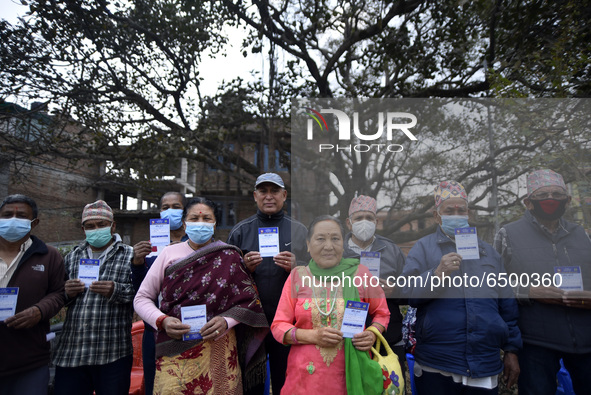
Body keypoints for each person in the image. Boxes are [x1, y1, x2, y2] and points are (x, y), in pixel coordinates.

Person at [134, 197, 269, 395]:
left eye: (207, 219)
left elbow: (249, 300)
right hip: (175, 348)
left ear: (214, 225)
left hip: (219, 348)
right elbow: (142, 298)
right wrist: (162, 321)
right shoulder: (168, 254)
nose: (200, 223)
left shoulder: (230, 256)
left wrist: (226, 321)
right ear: (184, 223)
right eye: (194, 219)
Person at [402, 181, 521, 394]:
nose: (456, 214)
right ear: (437, 215)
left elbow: (507, 304)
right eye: (449, 210)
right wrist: (436, 274)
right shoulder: (423, 247)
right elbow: (408, 292)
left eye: (461, 210)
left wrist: (511, 349)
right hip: (436, 362)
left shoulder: (489, 253)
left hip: (484, 362)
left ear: (469, 213)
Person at [494, 169, 591, 395]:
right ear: (528, 202)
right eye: (543, 194)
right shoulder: (508, 234)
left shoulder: (583, 235)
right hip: (535, 340)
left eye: (557, 194)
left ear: (567, 200)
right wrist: (528, 291)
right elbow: (492, 282)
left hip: (586, 338)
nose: (551, 199)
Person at [271, 215, 393, 394]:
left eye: (335, 239)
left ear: (343, 244)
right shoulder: (297, 276)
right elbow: (278, 326)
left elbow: (382, 313)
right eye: (320, 239)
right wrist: (313, 336)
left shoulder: (361, 274)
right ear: (308, 244)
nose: (328, 246)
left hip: (350, 378)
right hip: (304, 379)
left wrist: (372, 333)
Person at [227, 172, 308, 394]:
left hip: (290, 322)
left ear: (284, 195)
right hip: (251, 324)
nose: (269, 196)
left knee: (288, 382)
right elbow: (225, 279)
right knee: (251, 383)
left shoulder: (300, 231)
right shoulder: (240, 231)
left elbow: (318, 276)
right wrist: (244, 268)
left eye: (274, 191)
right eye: (263, 191)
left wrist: (298, 266)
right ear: (255, 196)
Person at [53, 200, 135, 395]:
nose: (96, 230)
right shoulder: (72, 256)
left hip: (112, 351)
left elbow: (141, 295)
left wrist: (115, 290)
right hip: (72, 351)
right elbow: (57, 296)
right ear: (83, 229)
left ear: (113, 226)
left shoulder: (130, 255)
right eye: (90, 226)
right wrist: (67, 292)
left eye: (101, 225)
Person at [0, 194, 65, 395]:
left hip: (30, 362)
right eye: (7, 214)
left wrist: (39, 311)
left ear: (34, 222)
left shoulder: (49, 255)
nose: (13, 220)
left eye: (21, 216)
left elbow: (59, 293)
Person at [131, 191, 188, 395]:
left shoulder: (198, 242)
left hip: (190, 328)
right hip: (154, 331)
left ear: (184, 211)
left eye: (176, 206)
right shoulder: (149, 248)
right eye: (165, 207)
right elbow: (139, 292)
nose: (170, 211)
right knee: (156, 386)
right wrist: (137, 264)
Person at [342, 195, 407, 372]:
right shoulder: (337, 252)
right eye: (358, 218)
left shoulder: (392, 250)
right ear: (349, 222)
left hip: (388, 339)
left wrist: (396, 290)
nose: (364, 222)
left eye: (369, 218)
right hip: (346, 340)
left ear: (376, 222)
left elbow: (410, 289)